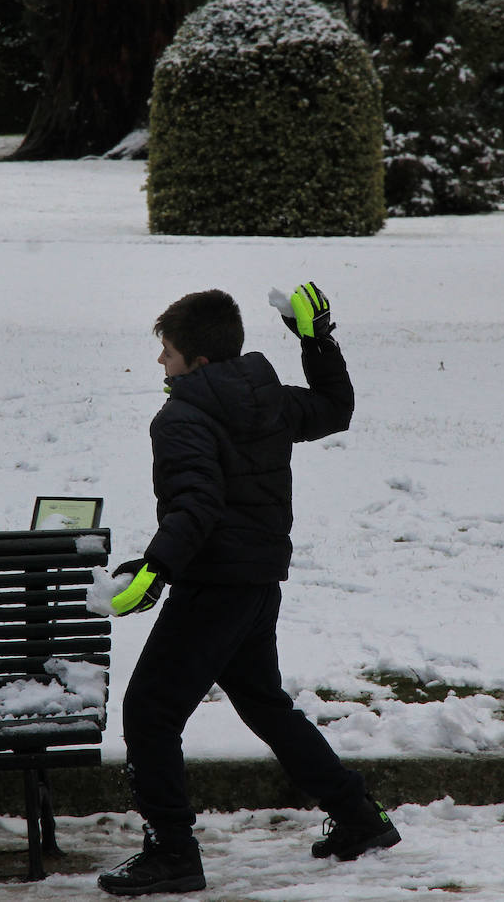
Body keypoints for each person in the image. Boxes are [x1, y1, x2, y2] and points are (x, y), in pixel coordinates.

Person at [98, 285, 400, 897]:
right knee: (264, 704)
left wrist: (154, 571)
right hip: (258, 581)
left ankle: (173, 854)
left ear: (198, 363)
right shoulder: (266, 400)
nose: (161, 362)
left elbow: (196, 504)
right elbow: (334, 407)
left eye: (168, 352)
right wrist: (316, 339)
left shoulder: (181, 416)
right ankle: (360, 818)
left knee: (150, 713)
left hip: (215, 586)